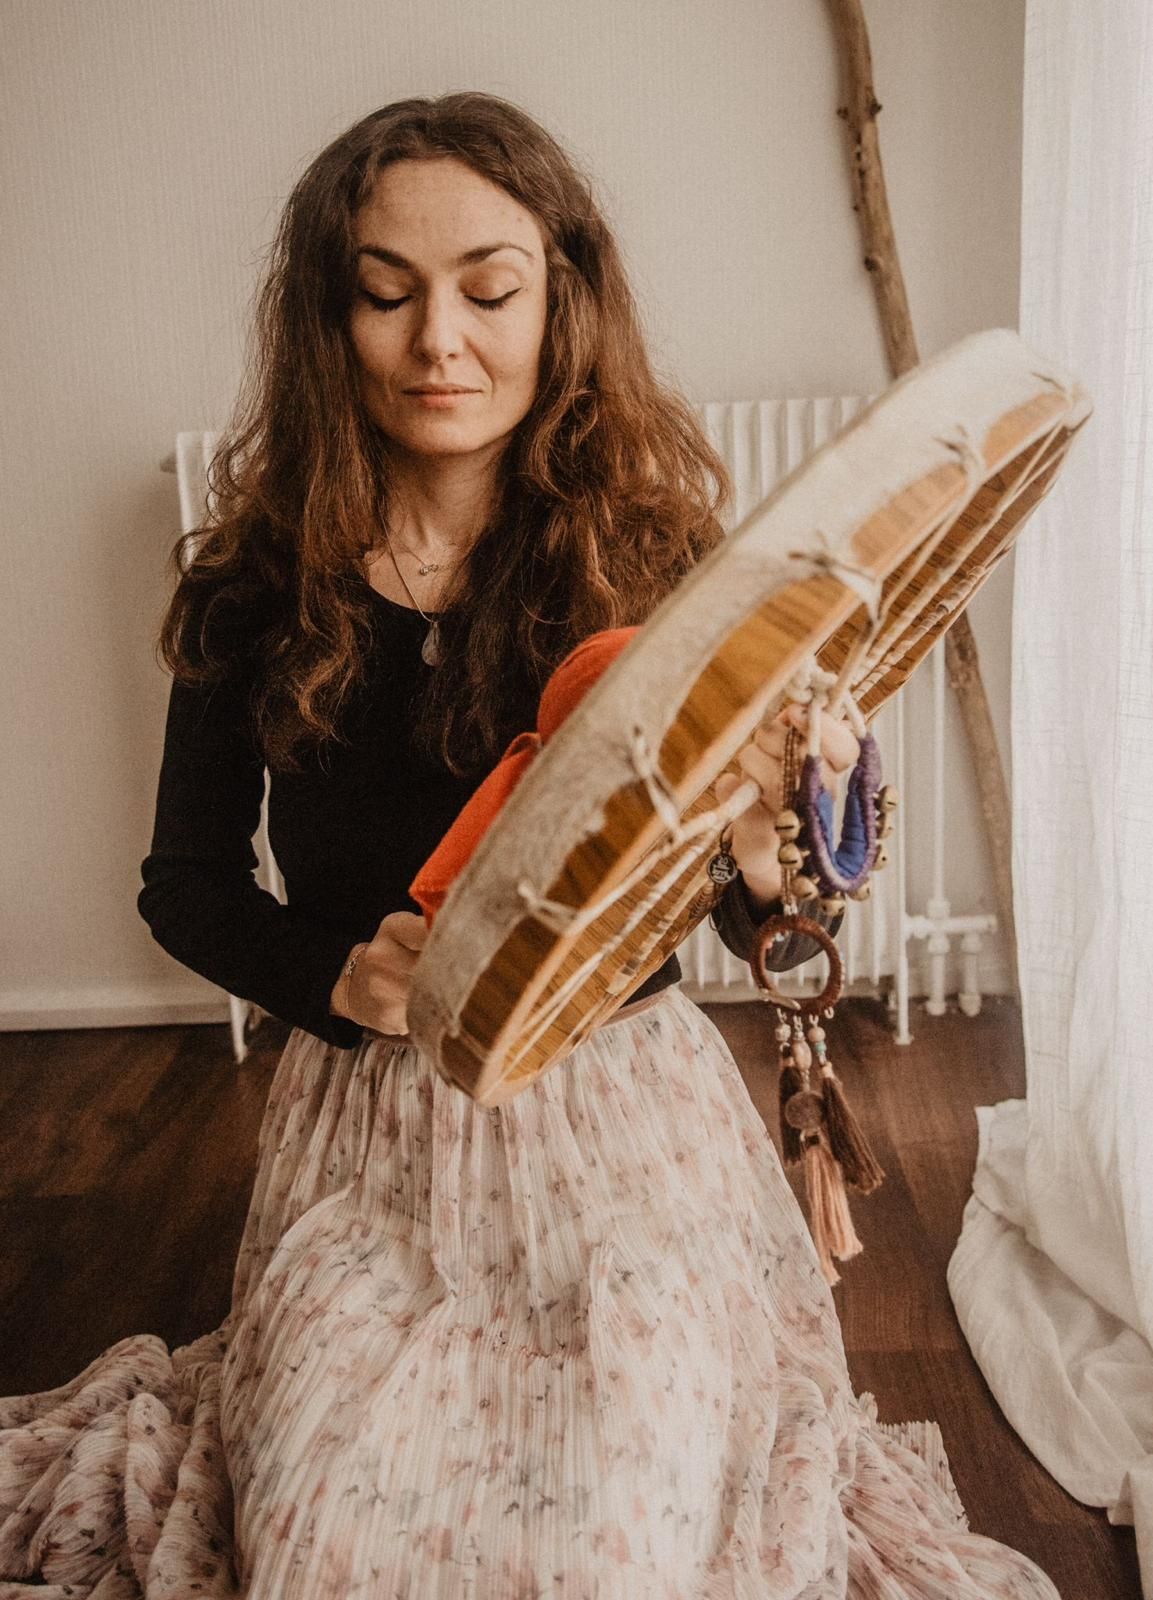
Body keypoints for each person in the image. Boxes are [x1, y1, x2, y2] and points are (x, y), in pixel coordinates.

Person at [0, 94, 1061, 1599]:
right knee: (329, 1546)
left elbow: (746, 919)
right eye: (386, 293)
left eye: (489, 291)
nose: (439, 340)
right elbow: (184, 888)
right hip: (371, 1140)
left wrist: (777, 843)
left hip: (624, 1140)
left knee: (616, 1548)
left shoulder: (658, 564)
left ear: (561, 301)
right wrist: (337, 979)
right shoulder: (252, 588)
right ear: (327, 320)